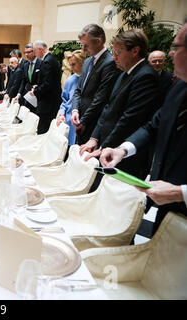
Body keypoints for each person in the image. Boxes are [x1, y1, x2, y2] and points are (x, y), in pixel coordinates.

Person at [98, 23, 187, 236]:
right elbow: (154, 124)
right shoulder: (179, 87)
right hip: (167, 203)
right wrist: (123, 149)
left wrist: (181, 192)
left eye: (176, 48)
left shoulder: (149, 77)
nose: (170, 55)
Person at [81, 29, 160, 180]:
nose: (113, 56)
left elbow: (129, 119)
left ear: (135, 51)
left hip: (124, 154)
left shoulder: (146, 76)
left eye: (118, 52)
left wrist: (104, 146)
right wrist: (95, 138)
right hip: (108, 146)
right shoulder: (124, 73)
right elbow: (107, 108)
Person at [71, 24, 119, 145]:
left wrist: (83, 121)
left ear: (99, 41)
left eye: (86, 45)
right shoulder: (87, 61)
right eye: (82, 45)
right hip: (81, 118)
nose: (83, 50)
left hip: (94, 122)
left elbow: (101, 99)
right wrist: (75, 110)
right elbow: (78, 90)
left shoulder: (110, 62)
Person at [31, 40, 62, 134]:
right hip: (51, 101)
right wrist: (38, 86)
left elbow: (48, 84)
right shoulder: (50, 59)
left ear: (41, 49)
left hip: (48, 103)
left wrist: (35, 91)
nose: (34, 54)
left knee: (43, 130)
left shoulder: (47, 61)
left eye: (34, 51)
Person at [57, 50, 87, 145]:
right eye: (70, 64)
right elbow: (64, 100)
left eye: (73, 64)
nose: (71, 67)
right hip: (69, 121)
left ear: (82, 63)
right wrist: (62, 114)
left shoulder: (89, 79)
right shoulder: (70, 80)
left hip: (83, 120)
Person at [15, 43, 41, 107]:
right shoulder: (25, 65)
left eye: (28, 52)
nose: (26, 54)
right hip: (28, 95)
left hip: (39, 95)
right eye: (25, 52)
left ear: (34, 51)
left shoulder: (41, 63)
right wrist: (19, 94)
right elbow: (24, 81)